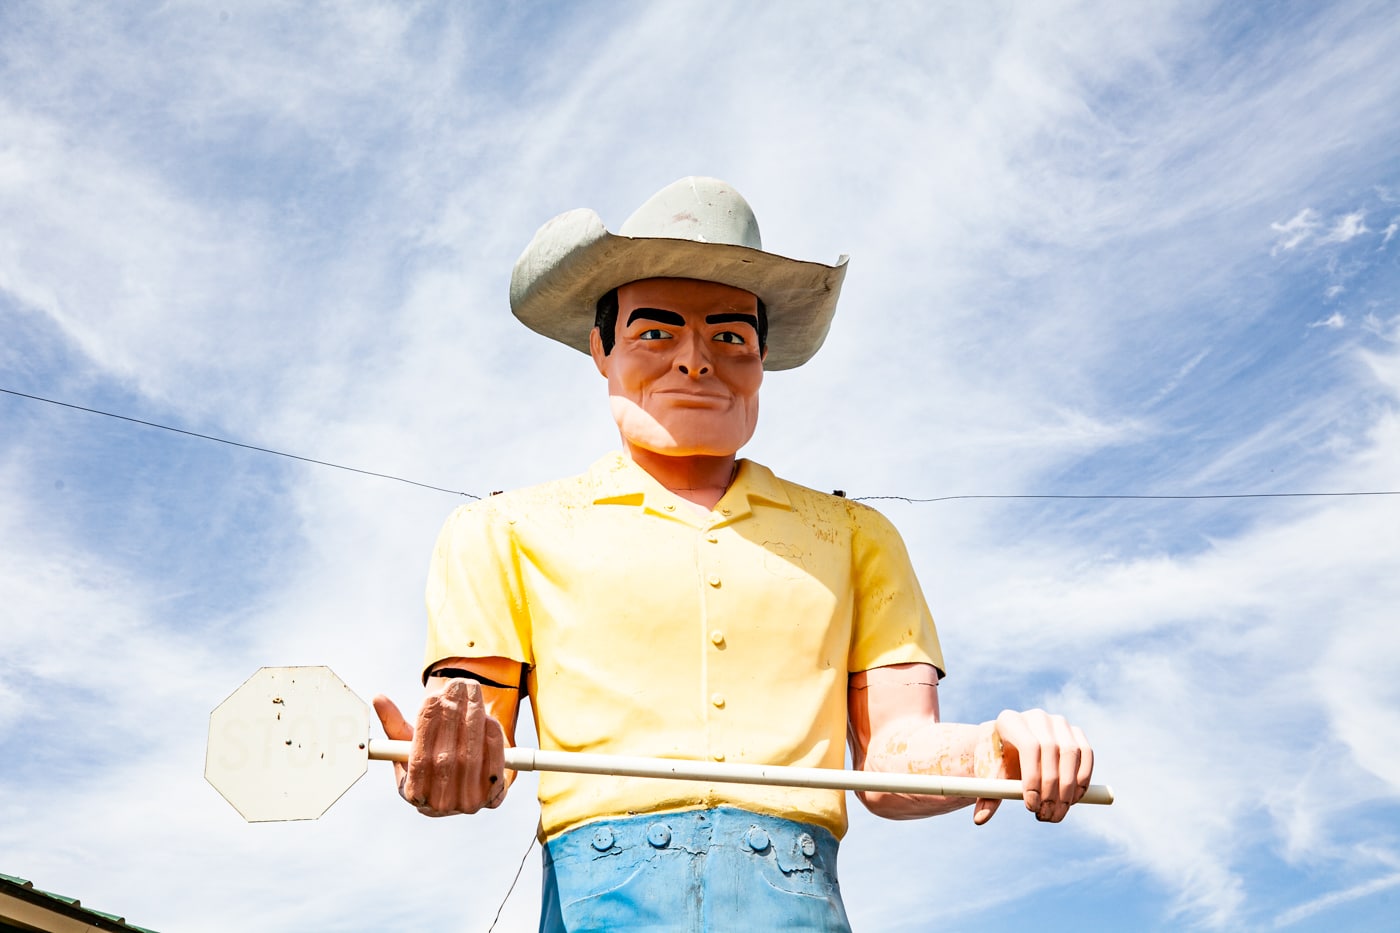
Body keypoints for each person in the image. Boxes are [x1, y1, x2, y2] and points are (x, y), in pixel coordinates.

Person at [374, 177, 1094, 931]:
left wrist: (992, 750)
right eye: (655, 332)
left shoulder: (854, 537)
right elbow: (469, 732)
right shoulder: (504, 530)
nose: (694, 361)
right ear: (601, 348)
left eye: (730, 337)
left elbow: (890, 758)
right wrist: (447, 752)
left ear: (761, 359)